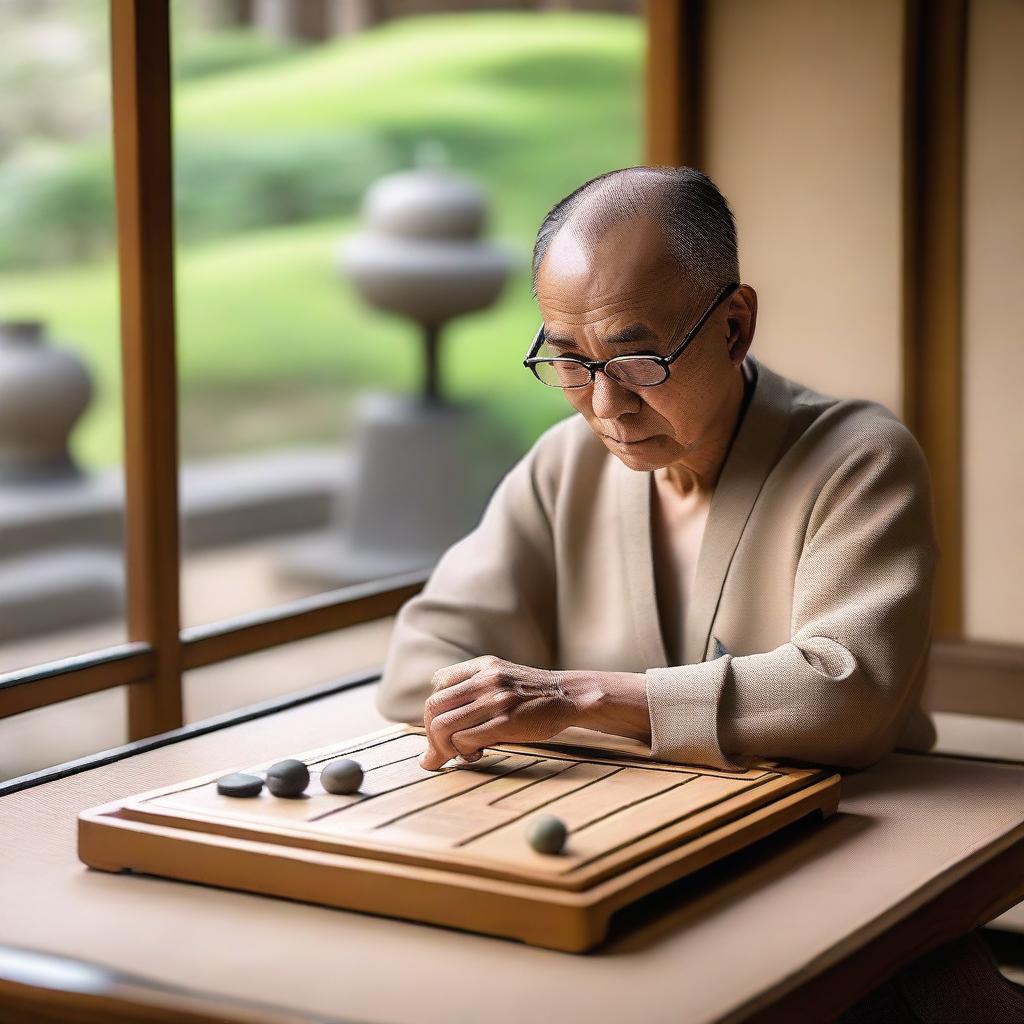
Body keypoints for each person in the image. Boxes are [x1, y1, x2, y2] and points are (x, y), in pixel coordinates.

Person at [375, 165, 939, 774]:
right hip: (614, 817)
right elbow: (417, 668)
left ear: (734, 328)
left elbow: (849, 699)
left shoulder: (858, 460)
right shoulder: (566, 463)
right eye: (569, 362)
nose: (605, 404)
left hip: (852, 822)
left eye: (637, 360)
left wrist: (579, 699)